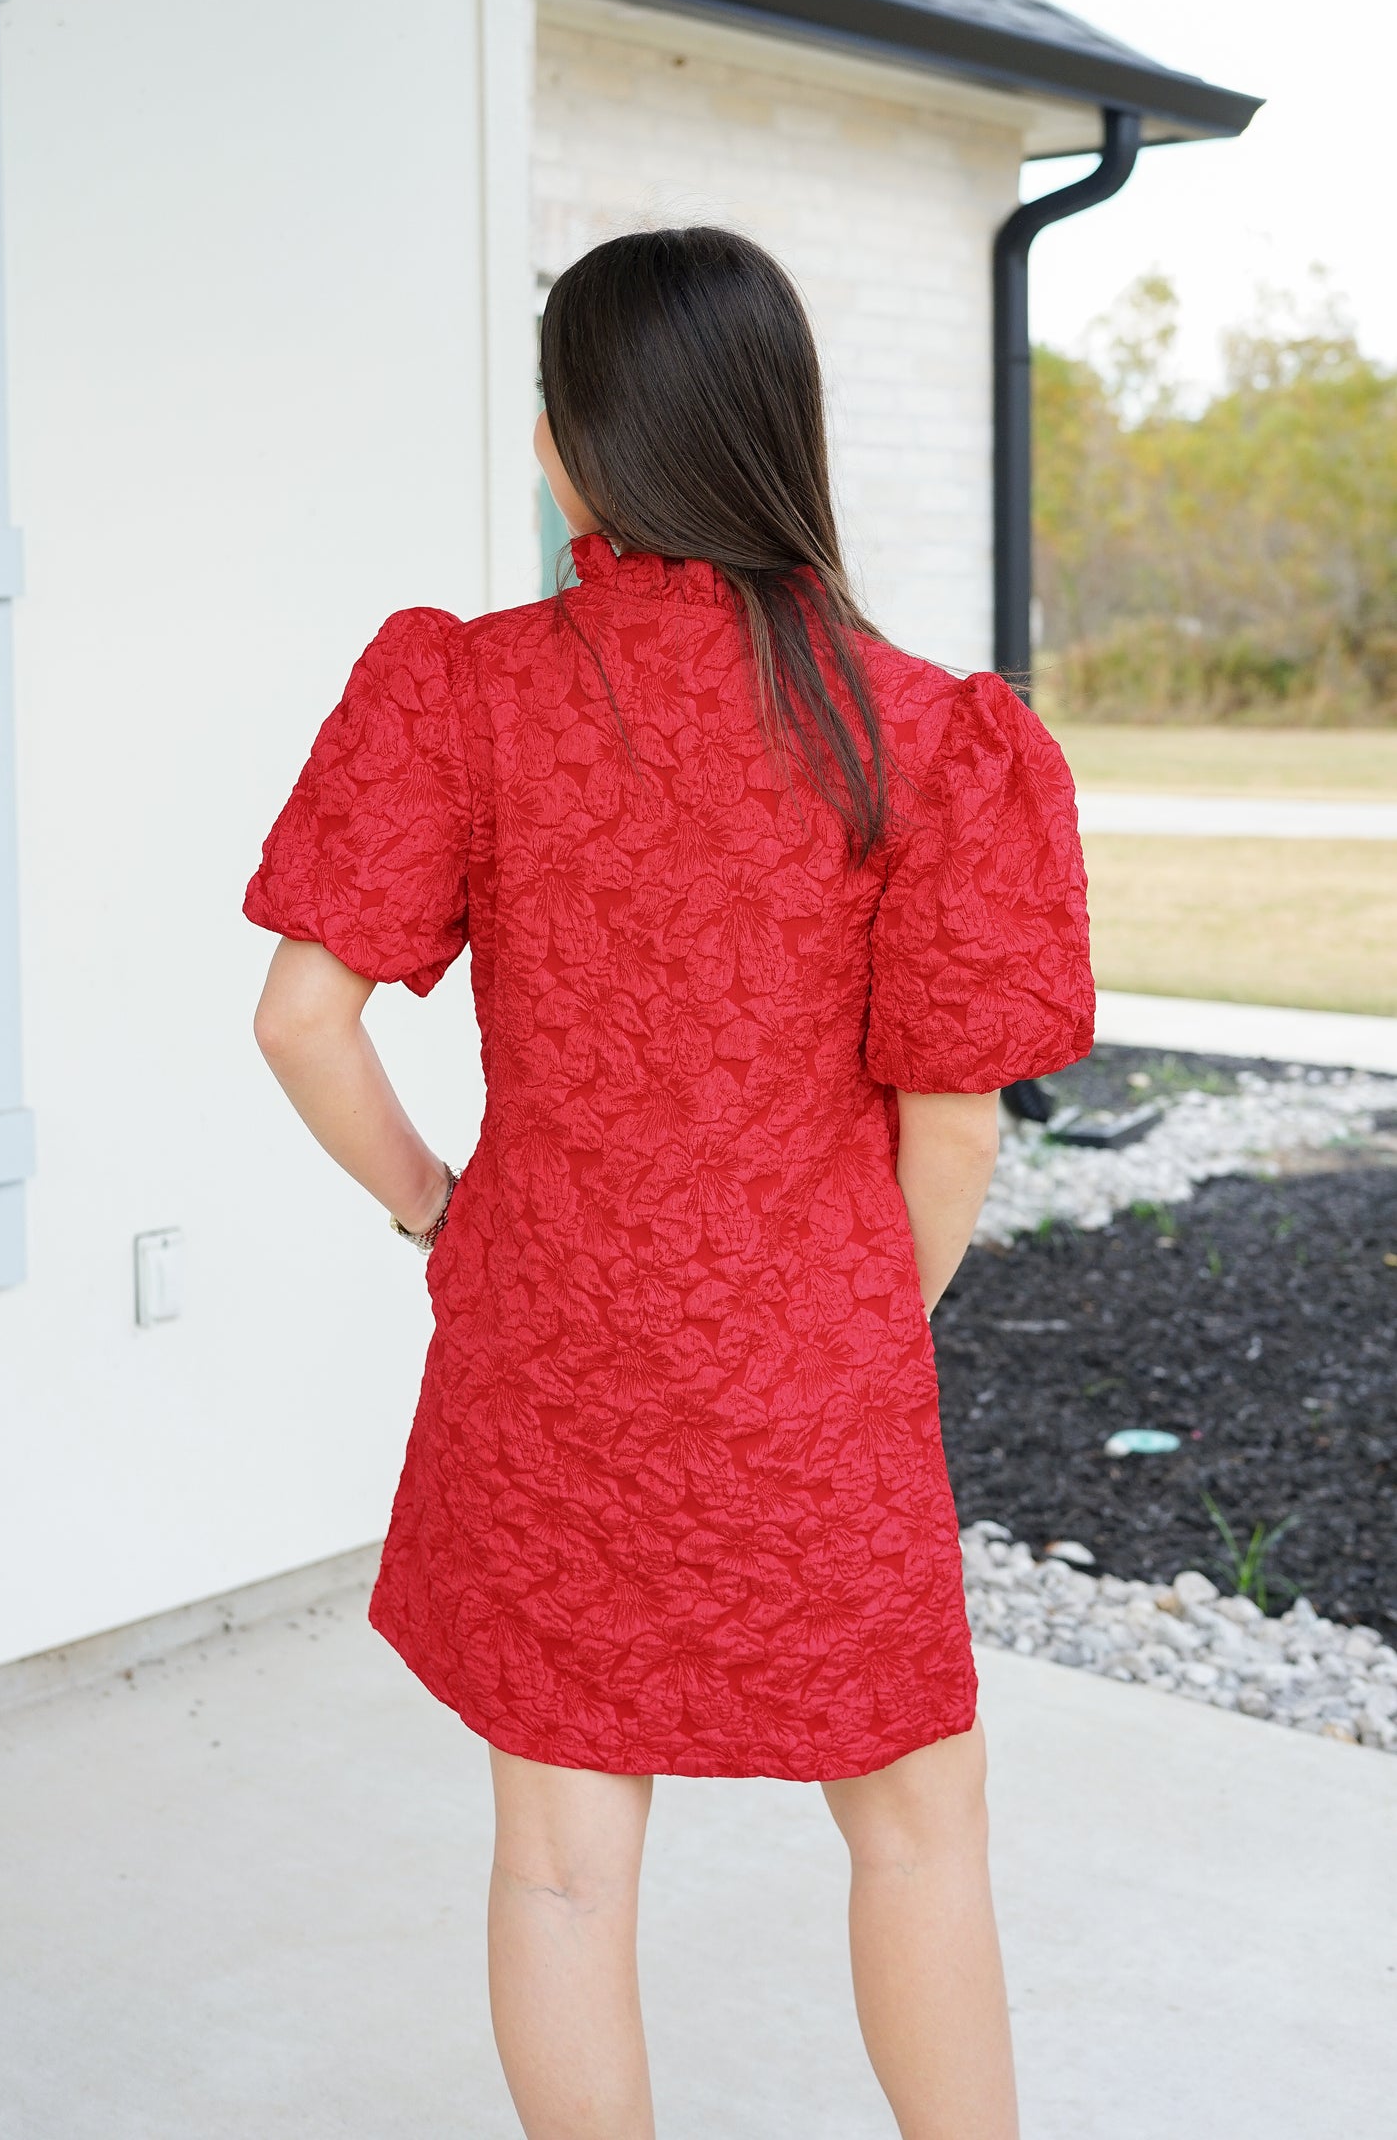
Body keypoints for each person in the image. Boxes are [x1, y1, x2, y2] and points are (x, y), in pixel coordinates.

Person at [245, 226, 1094, 2140]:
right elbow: (955, 1122)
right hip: (810, 1367)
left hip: (543, 1348)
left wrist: (437, 1211)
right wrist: (852, 1318)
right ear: (783, 434)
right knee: (918, 1831)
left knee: (559, 1865)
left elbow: (301, 1021)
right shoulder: (921, 731)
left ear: (567, 444)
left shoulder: (463, 691)